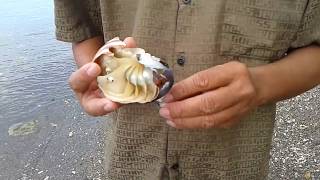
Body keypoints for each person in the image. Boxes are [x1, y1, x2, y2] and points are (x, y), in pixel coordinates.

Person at [54, 0, 320, 179]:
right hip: (129, 159)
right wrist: (100, 73)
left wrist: (261, 86)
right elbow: (82, 28)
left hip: (233, 162)